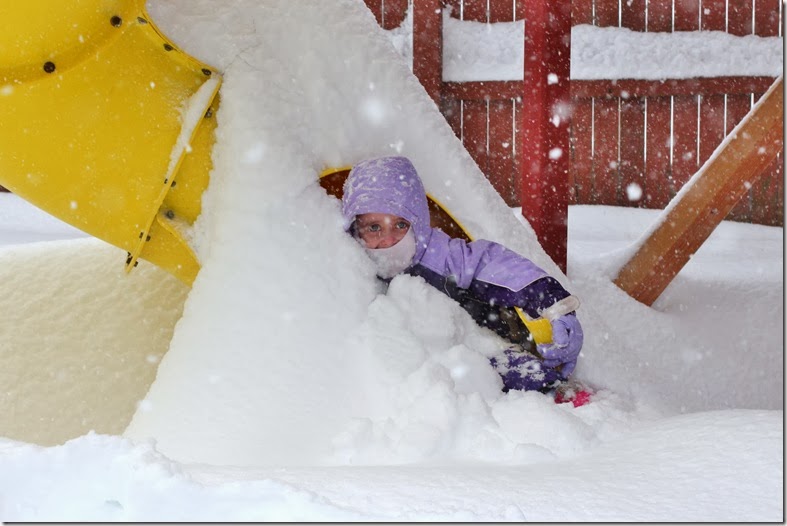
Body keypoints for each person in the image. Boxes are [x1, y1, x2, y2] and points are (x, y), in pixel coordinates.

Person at [341, 155, 585, 395]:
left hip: (466, 349)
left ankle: (561, 395)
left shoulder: (439, 256)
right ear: (355, 229)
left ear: (419, 223)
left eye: (401, 225)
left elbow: (495, 266)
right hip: (397, 369)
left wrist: (555, 304)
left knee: (520, 374)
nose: (389, 240)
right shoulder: (346, 267)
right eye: (374, 227)